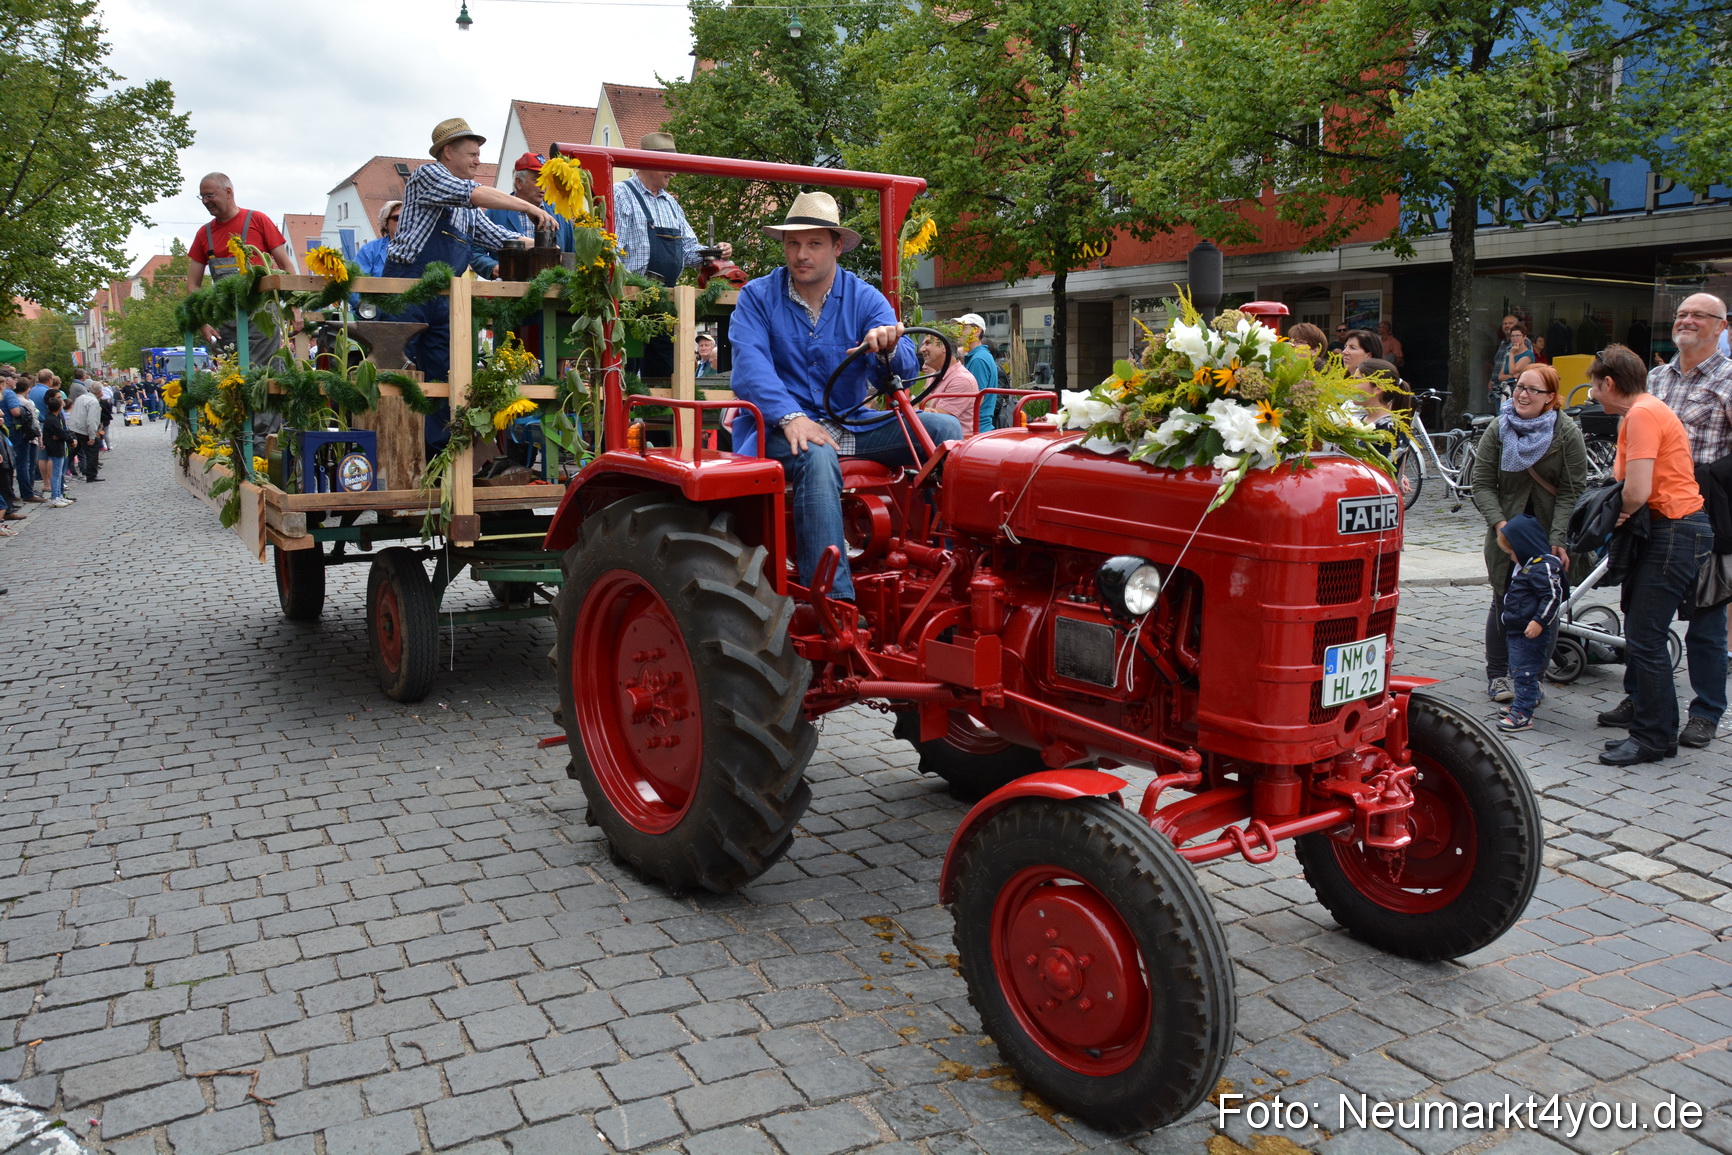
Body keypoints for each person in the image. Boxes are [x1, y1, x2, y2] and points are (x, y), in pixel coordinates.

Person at [728, 191, 962, 604]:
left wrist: (888, 346)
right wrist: (789, 416)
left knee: (944, 430)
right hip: (779, 431)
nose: (802, 254)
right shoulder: (757, 298)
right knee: (816, 453)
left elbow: (906, 367)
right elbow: (751, 369)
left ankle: (945, 562)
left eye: (814, 243)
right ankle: (835, 602)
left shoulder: (865, 298)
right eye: (793, 243)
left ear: (837, 246)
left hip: (852, 425)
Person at [1600, 293, 1732, 750]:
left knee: (1706, 620)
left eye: (1698, 315)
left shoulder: (1730, 380)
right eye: (1681, 314)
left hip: (1706, 510)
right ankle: (1640, 699)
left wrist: (1707, 480)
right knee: (1641, 613)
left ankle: (1705, 712)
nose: (1687, 321)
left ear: (1721, 326)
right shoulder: (1655, 378)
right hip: (1651, 515)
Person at [385, 118, 555, 436]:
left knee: (443, 376)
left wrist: (545, 246)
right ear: (448, 152)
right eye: (472, 153)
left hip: (446, 295)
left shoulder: (468, 209)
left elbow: (494, 234)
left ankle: (434, 454)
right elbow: (473, 194)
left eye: (478, 154)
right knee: (397, 368)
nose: (478, 160)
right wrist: (531, 210)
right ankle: (391, 450)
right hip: (409, 288)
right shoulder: (429, 175)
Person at [1589, 344, 1713, 765]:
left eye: (1593, 385)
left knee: (1645, 635)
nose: (1591, 394)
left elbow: (1637, 491)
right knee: (1644, 632)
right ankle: (1653, 727)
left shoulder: (1641, 413)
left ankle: (1652, 737)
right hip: (1671, 529)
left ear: (1608, 383)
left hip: (1674, 529)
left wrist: (1615, 516)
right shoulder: (1641, 411)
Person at [1471, 362, 1587, 703]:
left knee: (1544, 604)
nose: (1521, 394)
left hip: (1546, 531)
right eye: (1519, 386)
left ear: (1550, 397)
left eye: (1532, 390)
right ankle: (1498, 675)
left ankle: (1531, 678)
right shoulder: (1499, 427)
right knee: (1503, 598)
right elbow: (1482, 484)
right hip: (1506, 531)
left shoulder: (1566, 433)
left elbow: (1571, 489)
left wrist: (1558, 539)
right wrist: (1500, 525)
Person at [613, 133, 733, 378]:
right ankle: (624, 417)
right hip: (628, 301)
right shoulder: (621, 195)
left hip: (665, 302)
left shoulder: (671, 204)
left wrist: (715, 253)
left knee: (664, 375)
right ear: (649, 162)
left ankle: (656, 417)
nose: (674, 173)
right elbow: (612, 252)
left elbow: (689, 252)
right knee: (622, 373)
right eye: (669, 165)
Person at [186, 173, 299, 368]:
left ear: (228, 192)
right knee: (235, 378)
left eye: (210, 195)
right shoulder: (204, 234)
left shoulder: (257, 220)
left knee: (264, 374)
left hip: (261, 316)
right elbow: (192, 284)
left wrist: (294, 307)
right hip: (226, 321)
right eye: (202, 197)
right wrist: (202, 322)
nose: (205, 201)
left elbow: (286, 266)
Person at [1495, 513, 1568, 732]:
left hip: (1530, 631)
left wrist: (1539, 621)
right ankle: (1523, 703)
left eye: (1512, 553)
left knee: (1525, 671)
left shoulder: (1541, 567)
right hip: (1518, 629)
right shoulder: (1530, 565)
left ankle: (1523, 714)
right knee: (1517, 668)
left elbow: (1553, 597)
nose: (1511, 558)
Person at [471, 154, 578, 280]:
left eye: (546, 180)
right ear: (519, 183)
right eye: (537, 180)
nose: (543, 186)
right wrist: (493, 267)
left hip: (550, 293)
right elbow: (474, 251)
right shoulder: (495, 212)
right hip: (508, 292)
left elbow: (573, 256)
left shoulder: (560, 214)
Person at [915, 330, 980, 424]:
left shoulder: (961, 380)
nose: (922, 349)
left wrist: (914, 409)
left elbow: (937, 421)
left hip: (953, 438)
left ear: (945, 346)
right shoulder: (933, 377)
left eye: (928, 343)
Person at [951, 313, 1000, 430]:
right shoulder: (979, 356)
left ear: (977, 331)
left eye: (963, 328)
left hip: (976, 428)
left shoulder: (978, 359)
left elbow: (975, 399)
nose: (958, 332)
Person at [66, 380, 103, 483]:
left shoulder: (80, 398)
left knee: (72, 452)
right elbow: (92, 420)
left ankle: (64, 470)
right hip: (84, 430)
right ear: (99, 391)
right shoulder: (93, 402)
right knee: (92, 452)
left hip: (74, 428)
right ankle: (91, 475)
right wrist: (92, 436)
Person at [41, 393, 73, 506]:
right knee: (56, 474)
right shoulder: (52, 420)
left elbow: (62, 432)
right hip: (55, 448)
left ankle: (59, 495)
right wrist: (67, 437)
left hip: (59, 446)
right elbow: (60, 433)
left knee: (60, 473)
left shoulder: (57, 417)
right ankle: (55, 496)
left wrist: (63, 435)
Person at [355, 200, 401, 278]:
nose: (403, 221)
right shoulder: (369, 250)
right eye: (397, 218)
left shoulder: (422, 249)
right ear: (386, 223)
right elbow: (356, 283)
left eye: (406, 217)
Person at [1494, 325, 1535, 397]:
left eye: (1517, 335)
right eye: (1512, 336)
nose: (1514, 338)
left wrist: (1512, 353)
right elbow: (1500, 376)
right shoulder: (1510, 354)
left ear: (1524, 337)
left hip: (1519, 391)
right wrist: (1512, 376)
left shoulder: (1528, 354)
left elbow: (1512, 370)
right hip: (1505, 391)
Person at [1488, 313, 1519, 396]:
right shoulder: (1502, 343)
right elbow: (1497, 363)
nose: (1507, 326)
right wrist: (1492, 379)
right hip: (1496, 388)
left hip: (1510, 389)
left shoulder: (1522, 342)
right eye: (1505, 323)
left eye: (1510, 323)